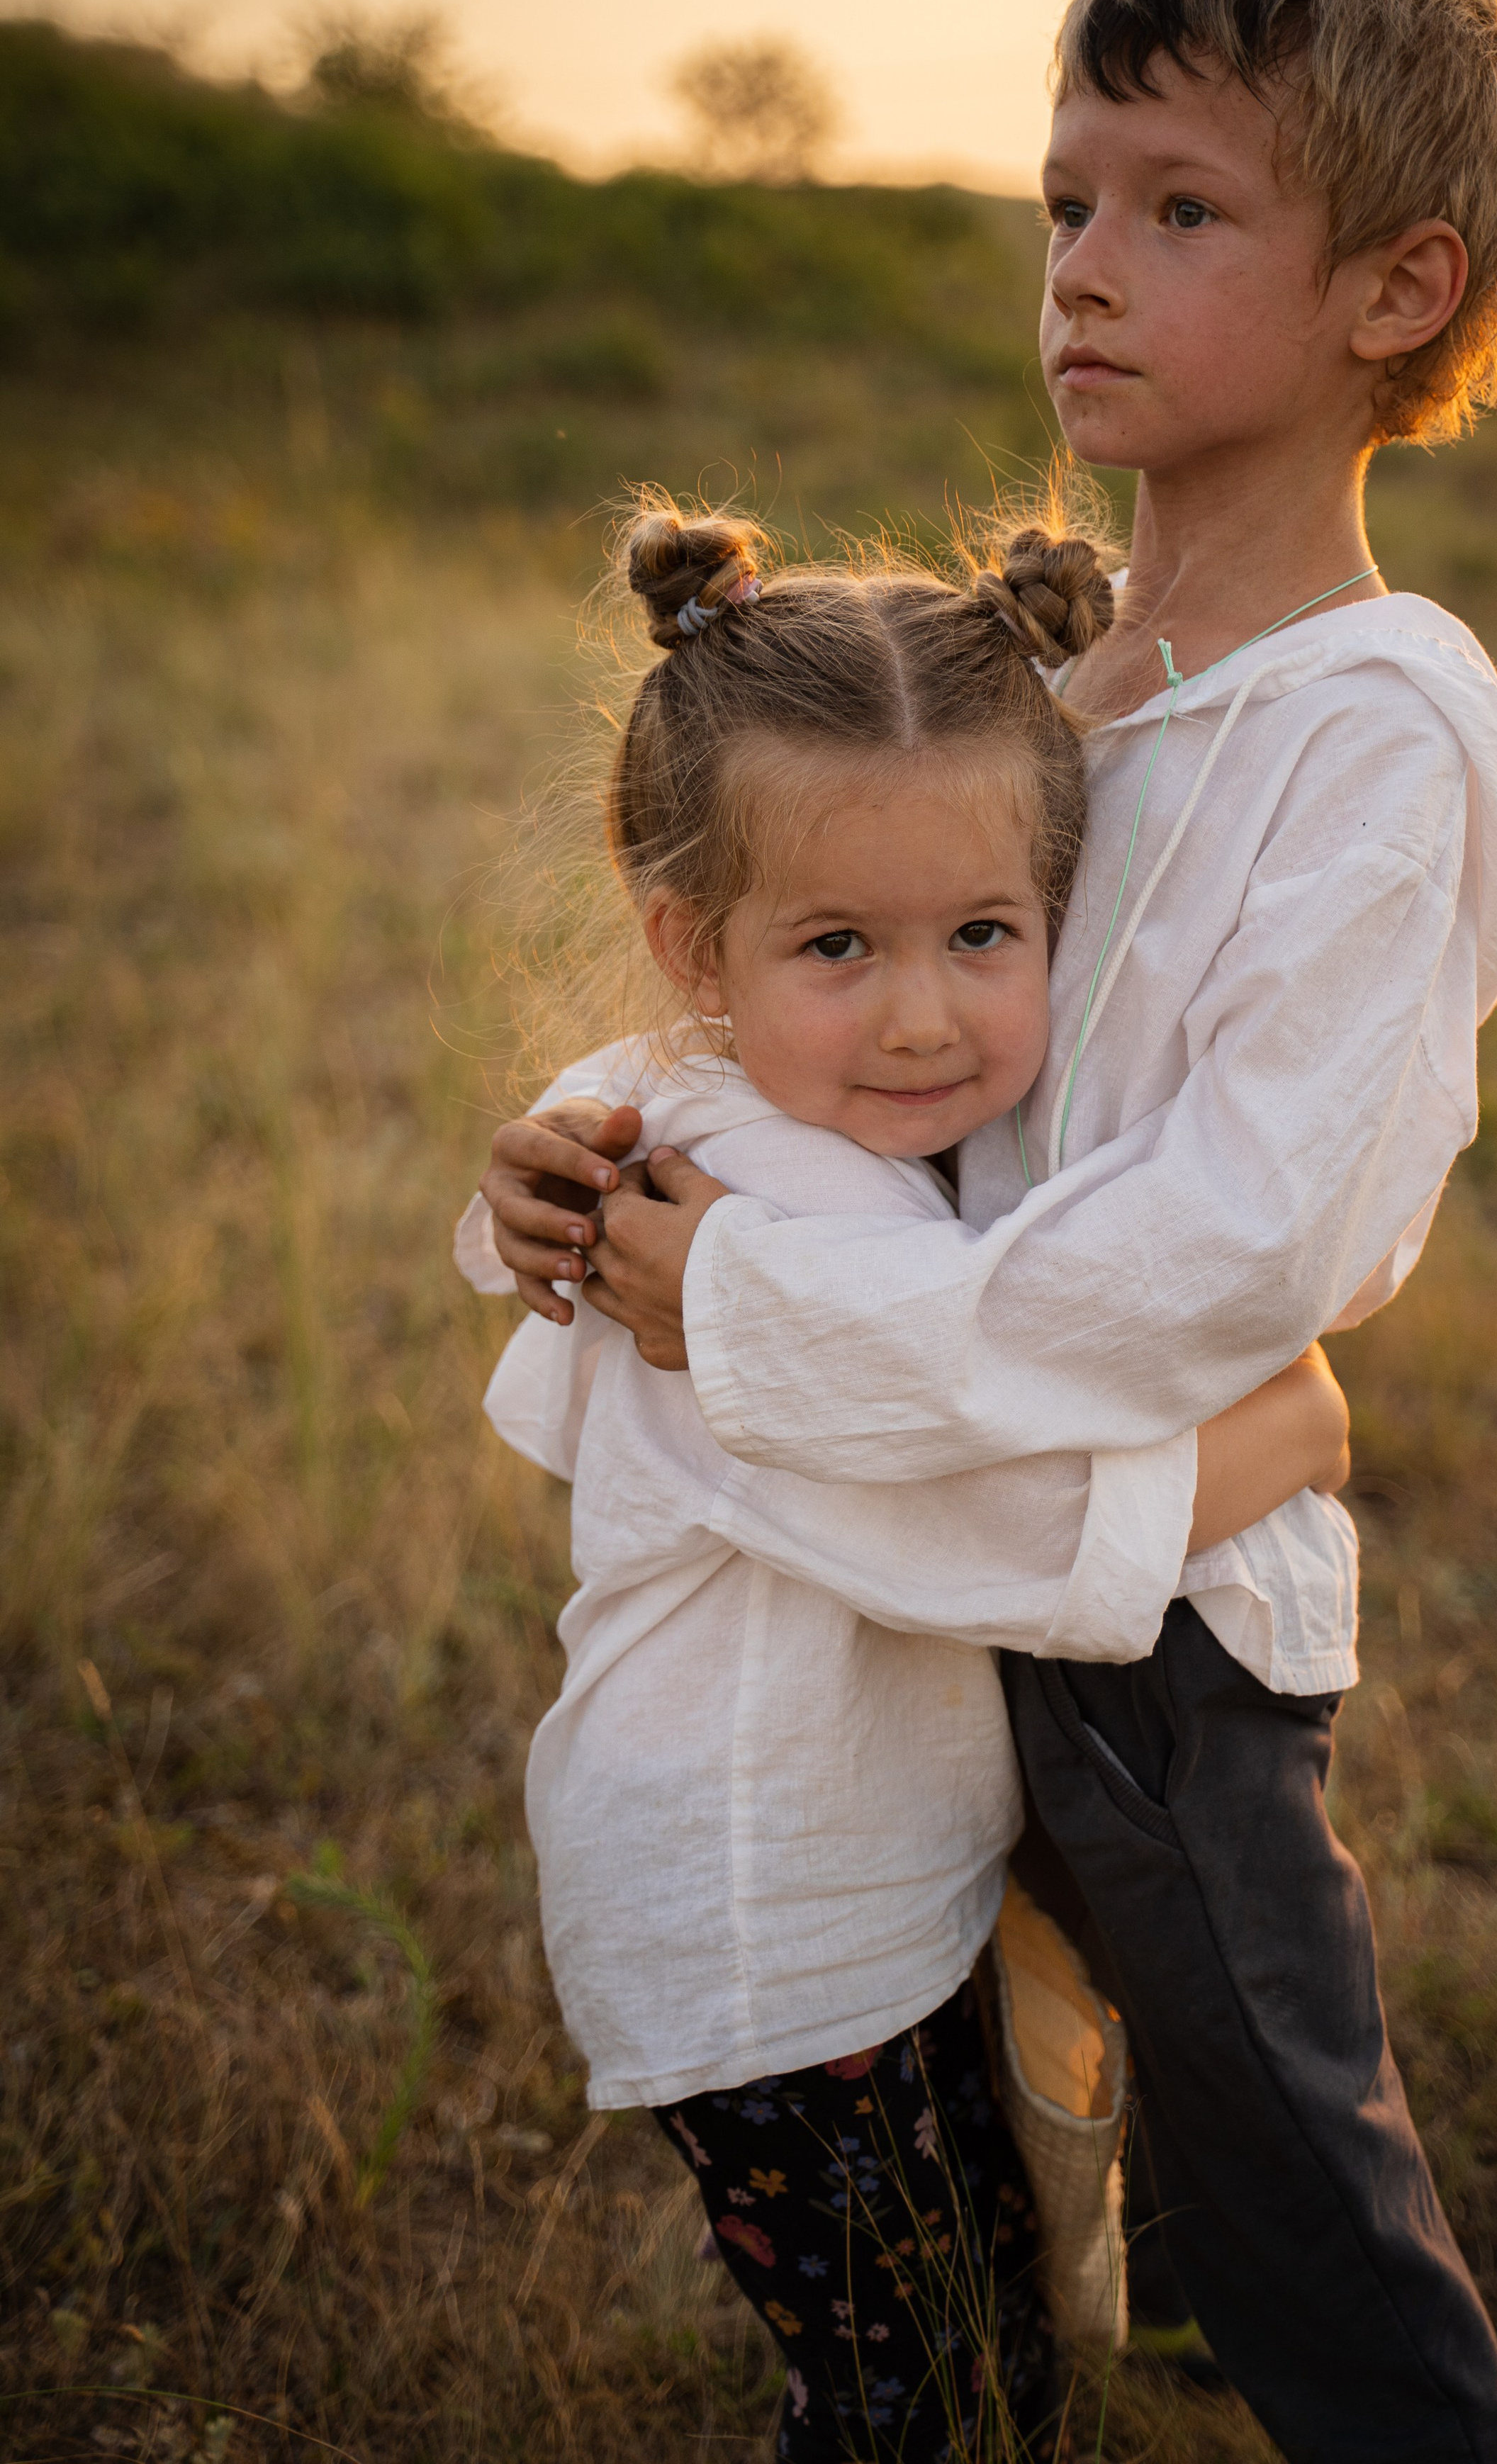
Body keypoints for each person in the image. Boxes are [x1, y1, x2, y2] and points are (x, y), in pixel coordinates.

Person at [476, 0, 1497, 2461]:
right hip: (949, 1535)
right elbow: (811, 1011)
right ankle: (1123, 2299)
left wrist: (731, 1310)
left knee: (1305, 2183)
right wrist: (586, 1166)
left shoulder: (1377, 731)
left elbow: (1232, 1248)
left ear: (1398, 293)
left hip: (1162, 1588)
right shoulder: (1067, 684)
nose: (1080, 265)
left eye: (1182, 210)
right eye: (1064, 198)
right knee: (1050, 2078)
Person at [458, 501, 1355, 2462]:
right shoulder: (754, 1246)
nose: (927, 1016)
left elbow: (605, 1145)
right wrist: (1288, 1435)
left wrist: (514, 1177)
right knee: (923, 2391)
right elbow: (977, 1534)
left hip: (849, 1893)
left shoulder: (748, 1124)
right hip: (771, 1929)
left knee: (957, 2323)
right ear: (694, 943)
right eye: (839, 946)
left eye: (983, 937)